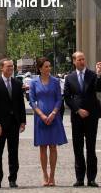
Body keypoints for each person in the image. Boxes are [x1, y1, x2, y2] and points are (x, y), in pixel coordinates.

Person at [64, 52, 101, 188]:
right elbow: (67, 97)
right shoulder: (69, 78)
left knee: (91, 148)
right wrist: (78, 110)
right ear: (74, 61)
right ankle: (80, 178)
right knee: (78, 148)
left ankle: (92, 178)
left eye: (83, 59)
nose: (82, 61)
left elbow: (98, 89)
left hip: (92, 116)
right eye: (79, 59)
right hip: (77, 117)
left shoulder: (92, 75)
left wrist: (99, 74)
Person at [29, 57, 68, 187]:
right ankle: (44, 174)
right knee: (42, 147)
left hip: (54, 117)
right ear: (40, 68)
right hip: (40, 118)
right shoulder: (34, 82)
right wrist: (40, 114)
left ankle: (52, 175)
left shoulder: (56, 81)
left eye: (49, 66)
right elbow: (32, 100)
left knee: (53, 146)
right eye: (46, 66)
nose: (48, 68)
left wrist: (53, 113)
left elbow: (59, 99)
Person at [0, 58, 26, 189]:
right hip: (0, 125)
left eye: (12, 67)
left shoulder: (17, 83)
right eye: (8, 67)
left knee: (13, 152)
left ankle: (13, 179)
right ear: (1, 68)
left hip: (14, 124)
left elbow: (21, 104)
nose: (11, 69)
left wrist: (23, 121)